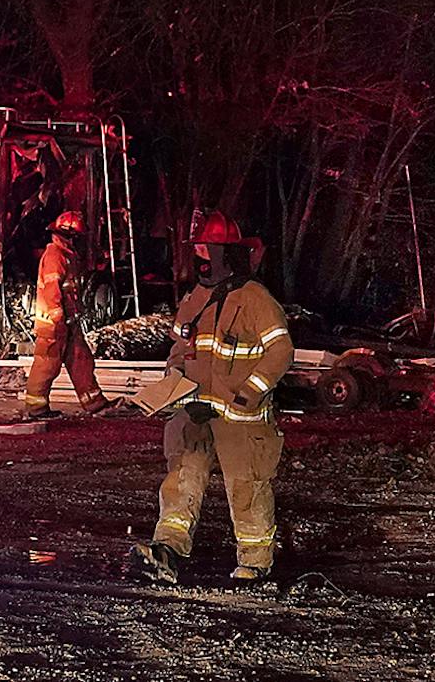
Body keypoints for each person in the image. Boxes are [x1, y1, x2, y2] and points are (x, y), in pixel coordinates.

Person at [131, 212, 292, 588]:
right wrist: (172, 387)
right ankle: (167, 550)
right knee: (181, 481)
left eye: (206, 247)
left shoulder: (254, 299)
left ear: (225, 252)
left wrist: (248, 394)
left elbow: (280, 351)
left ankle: (255, 564)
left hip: (240, 418)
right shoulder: (194, 299)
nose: (199, 255)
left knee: (247, 488)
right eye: (198, 247)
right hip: (194, 412)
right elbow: (179, 349)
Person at [23, 210, 107, 418]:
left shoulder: (67, 255)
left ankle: (94, 403)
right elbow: (51, 289)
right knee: (47, 363)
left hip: (69, 320)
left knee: (80, 359)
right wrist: (57, 317)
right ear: (69, 236)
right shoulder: (55, 255)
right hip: (53, 322)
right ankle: (36, 408)